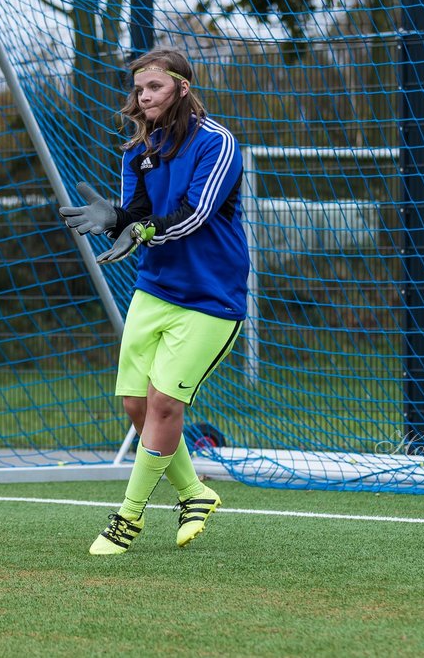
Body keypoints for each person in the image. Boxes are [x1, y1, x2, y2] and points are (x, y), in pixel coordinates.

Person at [59, 46, 249, 555]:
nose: (143, 97)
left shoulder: (218, 143)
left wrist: (141, 227)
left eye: (155, 88)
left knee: (166, 403)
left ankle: (127, 519)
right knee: (137, 405)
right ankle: (193, 493)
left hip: (211, 297)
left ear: (182, 89)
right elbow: (141, 211)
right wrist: (118, 218)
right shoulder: (136, 150)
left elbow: (195, 214)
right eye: (139, 89)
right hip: (155, 290)